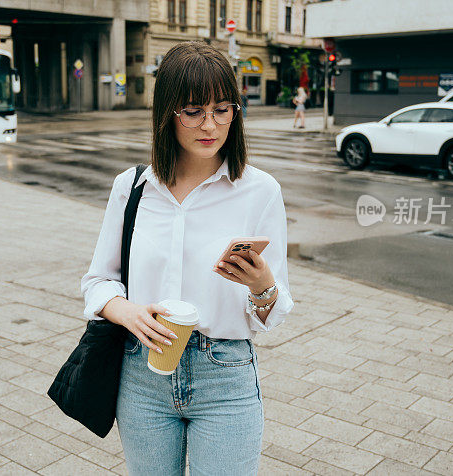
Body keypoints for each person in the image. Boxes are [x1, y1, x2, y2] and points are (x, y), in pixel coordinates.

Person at [81, 41, 294, 475]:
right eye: (193, 110)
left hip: (226, 374)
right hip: (143, 374)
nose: (210, 125)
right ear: (167, 113)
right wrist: (127, 311)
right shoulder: (133, 187)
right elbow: (98, 281)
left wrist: (261, 285)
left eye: (222, 109)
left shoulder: (260, 191)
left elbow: (273, 314)